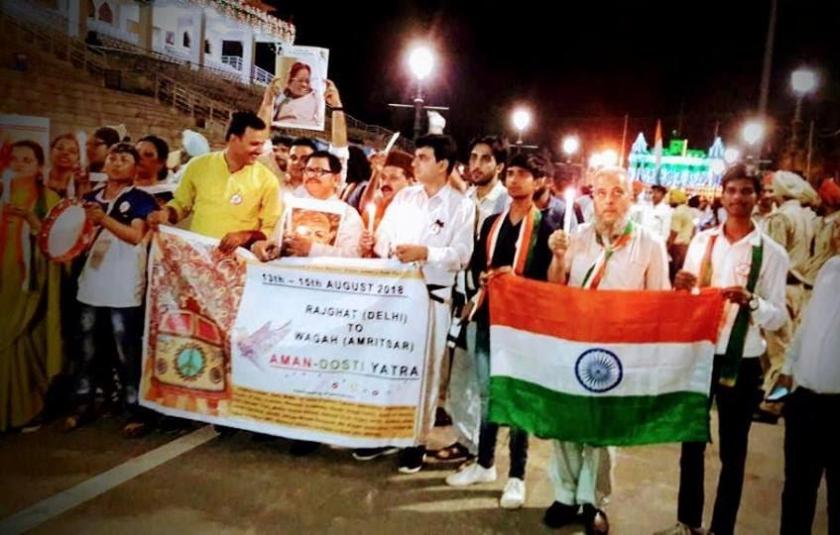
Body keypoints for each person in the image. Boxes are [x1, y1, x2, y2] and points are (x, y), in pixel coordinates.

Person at [658, 164, 789, 535]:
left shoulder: (772, 253)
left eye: (746, 191)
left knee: (734, 451)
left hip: (744, 359)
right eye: (731, 190)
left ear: (758, 196)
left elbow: (778, 317)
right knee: (692, 442)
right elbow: (691, 299)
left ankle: (722, 528)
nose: (737, 198)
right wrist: (682, 287)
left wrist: (752, 302)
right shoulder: (703, 242)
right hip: (701, 354)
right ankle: (688, 521)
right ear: (722, 194)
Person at [545, 166, 670, 534]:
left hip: (618, 352)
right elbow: (557, 287)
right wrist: (556, 257)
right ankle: (564, 494)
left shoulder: (650, 244)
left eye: (617, 192)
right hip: (574, 341)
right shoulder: (576, 237)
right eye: (601, 193)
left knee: (601, 430)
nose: (609, 201)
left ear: (630, 197)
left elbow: (658, 302)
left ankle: (593, 501)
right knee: (566, 422)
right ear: (592, 198)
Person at [357, 134, 474, 473]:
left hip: (432, 297)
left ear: (443, 165)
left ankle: (415, 440)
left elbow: (462, 255)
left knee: (423, 372)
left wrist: (427, 253)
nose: (414, 162)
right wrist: (375, 241)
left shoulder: (461, 206)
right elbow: (385, 239)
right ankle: (382, 433)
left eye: (423, 157)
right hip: (396, 295)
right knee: (387, 365)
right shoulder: (405, 197)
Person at [444, 153, 554, 509]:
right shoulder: (493, 222)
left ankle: (517, 476)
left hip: (524, 325)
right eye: (511, 174)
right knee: (489, 393)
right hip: (488, 317)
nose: (515, 180)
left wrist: (515, 281)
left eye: (524, 175)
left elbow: (548, 282)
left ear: (539, 182)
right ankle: (485, 463)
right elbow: (478, 262)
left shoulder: (546, 229)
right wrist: (484, 277)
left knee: (517, 398)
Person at [64, 143, 158, 435]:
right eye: (112, 158)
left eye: (124, 159)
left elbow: (134, 236)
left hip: (124, 284)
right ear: (103, 165)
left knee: (125, 349)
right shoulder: (89, 198)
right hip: (91, 282)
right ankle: (84, 403)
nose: (117, 163)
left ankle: (135, 410)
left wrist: (103, 219)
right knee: (87, 347)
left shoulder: (142, 200)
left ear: (135, 167)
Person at [146, 112, 281, 255]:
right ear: (233, 139)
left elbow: (270, 227)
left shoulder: (267, 180)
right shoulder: (199, 166)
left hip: (238, 260)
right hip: (198, 257)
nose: (259, 151)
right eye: (254, 144)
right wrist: (166, 213)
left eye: (261, 144)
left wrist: (244, 236)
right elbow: (181, 204)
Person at [0, 140, 63, 432]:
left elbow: (58, 243)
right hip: (4, 281)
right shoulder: (3, 192)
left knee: (26, 341)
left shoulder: (48, 199)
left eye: (28, 160)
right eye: (16, 159)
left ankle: (26, 412)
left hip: (33, 286)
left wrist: (30, 219)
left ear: (39, 167)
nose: (21, 164)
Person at [778, 252, 840, 535]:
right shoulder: (832, 267)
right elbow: (807, 324)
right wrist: (788, 366)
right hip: (805, 400)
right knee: (797, 492)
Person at [757, 170, 815, 423]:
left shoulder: (781, 218)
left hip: (781, 288)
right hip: (800, 289)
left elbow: (771, 258)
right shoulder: (806, 217)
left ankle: (774, 403)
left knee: (778, 350)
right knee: (784, 347)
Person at [252, 150, 363, 261]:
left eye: (319, 171)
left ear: (336, 179)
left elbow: (353, 255)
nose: (312, 175)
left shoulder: (349, 214)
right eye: (308, 170)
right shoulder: (292, 205)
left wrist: (312, 249)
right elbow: (274, 242)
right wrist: (260, 246)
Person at [264, 62, 321, 127]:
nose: (304, 85)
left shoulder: (315, 98)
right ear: (290, 81)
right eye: (300, 80)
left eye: (307, 81)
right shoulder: (283, 98)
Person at [134, 135, 173, 205]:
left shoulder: (167, 196)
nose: (139, 157)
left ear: (161, 163)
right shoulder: (116, 189)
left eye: (148, 154)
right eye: (135, 153)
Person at [45, 133, 87, 198]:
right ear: (51, 151)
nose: (65, 153)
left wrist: (80, 187)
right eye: (60, 148)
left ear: (78, 158)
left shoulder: (80, 184)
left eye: (72, 151)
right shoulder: (37, 178)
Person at [668, 189, 695, 280]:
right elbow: (693, 229)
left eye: (671, 197)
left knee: (674, 274)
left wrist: (666, 248)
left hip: (677, 247)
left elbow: (673, 234)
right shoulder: (688, 210)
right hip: (686, 245)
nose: (669, 200)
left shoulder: (677, 213)